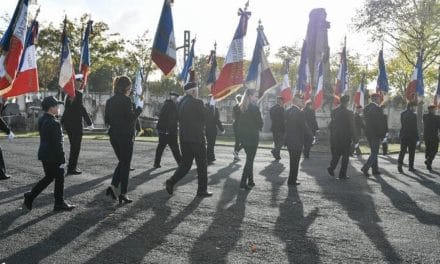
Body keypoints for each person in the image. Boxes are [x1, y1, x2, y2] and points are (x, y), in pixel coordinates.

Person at [22, 96, 75, 212]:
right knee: (59, 178)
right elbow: (58, 144)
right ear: (51, 108)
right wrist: (62, 160)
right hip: (53, 156)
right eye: (57, 106)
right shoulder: (54, 123)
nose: (58, 108)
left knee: (49, 177)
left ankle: (30, 196)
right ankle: (59, 203)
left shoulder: (42, 119)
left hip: (44, 154)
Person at [165, 81, 212, 197]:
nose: (198, 92)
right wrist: (211, 105)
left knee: (185, 164)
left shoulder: (180, 103)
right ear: (193, 91)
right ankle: (202, 190)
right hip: (197, 138)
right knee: (202, 165)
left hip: (184, 138)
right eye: (197, 90)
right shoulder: (198, 102)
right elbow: (208, 117)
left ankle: (172, 181)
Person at [104, 76, 142, 204]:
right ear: (126, 87)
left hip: (114, 135)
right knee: (125, 164)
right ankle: (123, 193)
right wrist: (138, 111)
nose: (131, 89)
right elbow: (130, 118)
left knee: (122, 162)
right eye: (130, 87)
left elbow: (107, 120)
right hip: (125, 136)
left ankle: (113, 186)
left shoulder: (109, 101)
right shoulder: (126, 100)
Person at [61, 76, 93, 175]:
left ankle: (71, 166)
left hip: (68, 124)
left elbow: (67, 110)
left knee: (73, 146)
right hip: (75, 125)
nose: (81, 83)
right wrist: (89, 122)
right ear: (75, 82)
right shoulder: (77, 94)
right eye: (79, 81)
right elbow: (81, 108)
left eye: (81, 81)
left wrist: (62, 122)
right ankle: (71, 168)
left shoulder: (67, 94)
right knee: (76, 147)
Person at [237, 89, 263, 189]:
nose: (256, 98)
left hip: (244, 137)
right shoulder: (254, 108)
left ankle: (250, 180)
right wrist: (260, 124)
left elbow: (238, 125)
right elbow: (260, 123)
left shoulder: (241, 107)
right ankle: (243, 182)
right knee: (250, 160)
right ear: (250, 96)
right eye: (255, 96)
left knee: (250, 159)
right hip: (252, 137)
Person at [327, 95, 356, 179]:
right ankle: (342, 174)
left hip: (336, 137)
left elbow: (332, 124)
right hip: (346, 137)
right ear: (347, 102)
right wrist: (355, 139)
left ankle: (331, 168)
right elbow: (352, 127)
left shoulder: (334, 111)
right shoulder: (349, 113)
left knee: (337, 154)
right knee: (345, 157)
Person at [284, 94, 311, 186]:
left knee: (293, 161)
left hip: (289, 140)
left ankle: (291, 179)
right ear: (296, 102)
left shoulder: (288, 111)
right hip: (297, 141)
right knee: (295, 162)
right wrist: (311, 137)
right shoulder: (299, 112)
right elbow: (304, 126)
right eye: (300, 101)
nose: (302, 102)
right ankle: (292, 180)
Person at [153, 91, 182, 168]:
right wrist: (169, 130)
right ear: (173, 98)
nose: (176, 100)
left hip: (163, 130)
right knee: (175, 148)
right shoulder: (172, 105)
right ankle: (180, 163)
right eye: (176, 98)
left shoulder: (166, 104)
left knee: (161, 147)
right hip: (169, 131)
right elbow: (172, 119)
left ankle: (156, 163)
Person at [361, 93, 387, 177]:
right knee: (375, 152)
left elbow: (365, 121)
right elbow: (379, 123)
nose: (380, 100)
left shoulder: (366, 108)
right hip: (376, 133)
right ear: (377, 99)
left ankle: (375, 170)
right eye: (379, 98)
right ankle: (366, 167)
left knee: (373, 152)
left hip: (369, 133)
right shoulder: (377, 108)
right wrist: (382, 134)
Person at [398, 101, 419, 173]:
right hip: (411, 136)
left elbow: (402, 124)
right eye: (415, 107)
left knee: (402, 151)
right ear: (411, 107)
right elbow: (414, 127)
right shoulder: (414, 115)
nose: (416, 108)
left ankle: (399, 164)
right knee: (411, 152)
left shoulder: (402, 113)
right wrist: (417, 137)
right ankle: (411, 167)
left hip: (403, 135)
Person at [205, 94, 225, 165]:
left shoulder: (215, 108)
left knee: (211, 144)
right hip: (207, 129)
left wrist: (222, 129)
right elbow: (208, 117)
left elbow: (217, 120)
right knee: (210, 144)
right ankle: (208, 158)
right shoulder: (206, 107)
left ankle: (211, 157)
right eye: (212, 99)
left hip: (213, 129)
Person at [423, 105, 440, 171]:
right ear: (431, 110)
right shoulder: (437, 117)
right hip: (434, 136)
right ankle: (429, 160)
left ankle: (428, 163)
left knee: (428, 149)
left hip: (426, 136)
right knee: (435, 149)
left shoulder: (425, 116)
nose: (435, 110)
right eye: (434, 109)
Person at [269, 96, 285, 161]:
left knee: (276, 142)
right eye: (282, 101)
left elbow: (271, 118)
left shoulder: (272, 108)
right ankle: (275, 151)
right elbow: (283, 119)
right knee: (282, 141)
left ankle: (277, 156)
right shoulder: (281, 108)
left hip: (274, 127)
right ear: (280, 101)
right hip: (280, 128)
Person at [232, 94, 243, 161]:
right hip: (241, 125)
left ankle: (236, 155)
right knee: (245, 141)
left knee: (237, 141)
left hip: (235, 125)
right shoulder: (243, 107)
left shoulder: (235, 107)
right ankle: (236, 152)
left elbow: (233, 117)